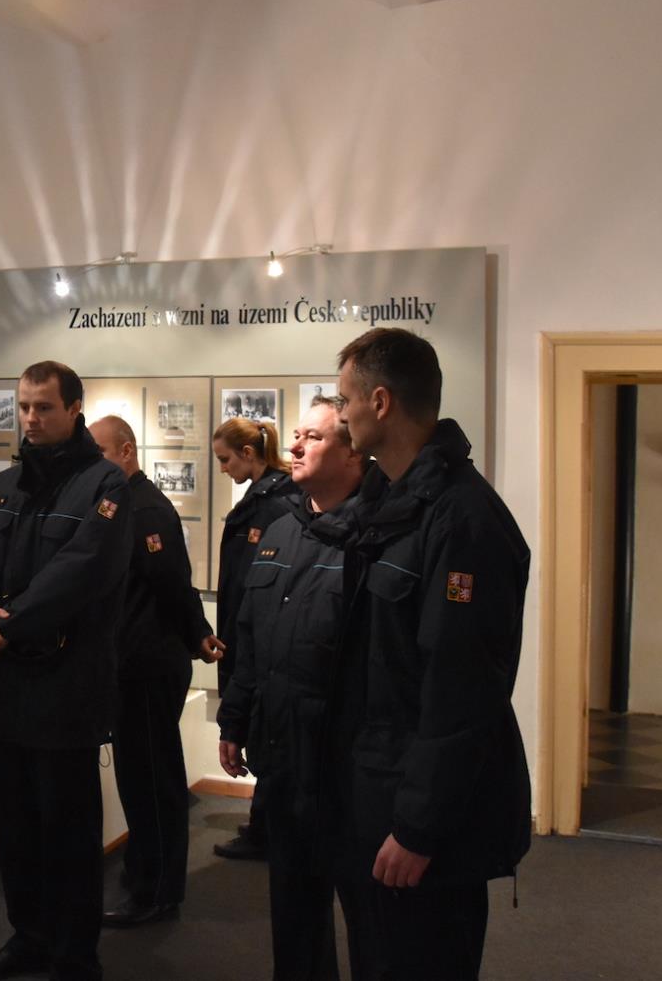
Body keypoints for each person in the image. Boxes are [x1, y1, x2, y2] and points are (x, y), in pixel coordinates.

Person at [334, 328, 531, 981]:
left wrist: (419, 826)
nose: (341, 415)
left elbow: (462, 688)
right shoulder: (388, 504)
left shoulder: (463, 520)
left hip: (420, 824)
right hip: (376, 794)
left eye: (346, 400)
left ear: (380, 402)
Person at [0, 361, 131, 981]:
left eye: (44, 407)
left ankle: (75, 956)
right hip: (6, 687)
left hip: (65, 690)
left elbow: (83, 572)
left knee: (69, 833)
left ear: (74, 408)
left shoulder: (106, 485)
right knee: (17, 830)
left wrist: (7, 624)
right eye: (24, 406)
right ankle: (28, 938)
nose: (31, 418)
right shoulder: (1, 486)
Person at [215, 398, 367, 980]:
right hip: (284, 757)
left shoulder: (377, 535)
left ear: (353, 453)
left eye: (314, 438)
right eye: (297, 434)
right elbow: (252, 639)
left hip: (348, 768)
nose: (296, 446)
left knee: (371, 921)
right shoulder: (280, 531)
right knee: (295, 915)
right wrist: (235, 720)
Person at [88, 415, 223, 929]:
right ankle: (144, 871)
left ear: (126, 451)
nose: (93, 462)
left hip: (148, 666)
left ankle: (158, 892)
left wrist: (197, 633)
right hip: (133, 663)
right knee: (138, 779)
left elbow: (172, 584)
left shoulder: (145, 509)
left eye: (100, 451)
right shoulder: (124, 503)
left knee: (152, 782)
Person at [210, 415, 298, 862]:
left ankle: (267, 829)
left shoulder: (276, 505)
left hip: (260, 638)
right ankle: (264, 824)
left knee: (268, 733)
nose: (223, 468)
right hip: (248, 632)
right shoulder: (266, 500)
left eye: (226, 459)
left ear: (248, 453)